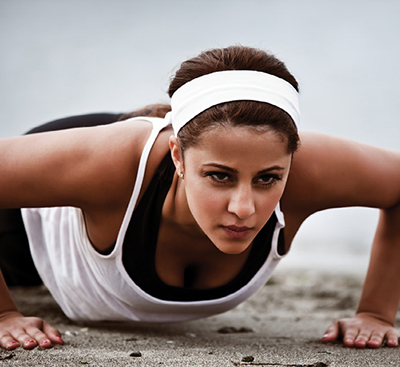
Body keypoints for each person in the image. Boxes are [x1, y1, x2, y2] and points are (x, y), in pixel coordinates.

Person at [0, 45, 399, 352]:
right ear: (178, 156)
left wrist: (376, 313)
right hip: (38, 213)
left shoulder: (306, 170)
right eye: (220, 176)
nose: (244, 208)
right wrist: (4, 314)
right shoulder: (111, 166)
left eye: (267, 179)